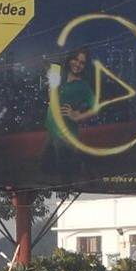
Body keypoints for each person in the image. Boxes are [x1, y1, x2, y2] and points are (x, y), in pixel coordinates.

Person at [41, 48, 96, 179]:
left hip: (65, 132)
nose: (77, 64)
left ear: (85, 66)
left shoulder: (83, 86)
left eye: (82, 62)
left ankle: (85, 172)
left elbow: (95, 107)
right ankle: (82, 168)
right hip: (51, 127)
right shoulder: (60, 75)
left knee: (65, 172)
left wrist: (77, 115)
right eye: (75, 59)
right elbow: (51, 94)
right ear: (70, 59)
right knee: (47, 167)